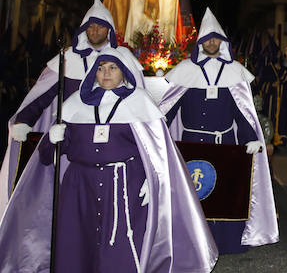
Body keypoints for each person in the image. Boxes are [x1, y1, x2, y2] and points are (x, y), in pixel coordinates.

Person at [0, 46, 217, 272]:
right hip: (79, 187)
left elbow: (160, 149)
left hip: (124, 186)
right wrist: (53, 140)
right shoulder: (75, 103)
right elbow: (46, 158)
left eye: (113, 68)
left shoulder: (139, 102)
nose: (106, 73)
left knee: (120, 246)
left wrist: (153, 178)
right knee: (76, 242)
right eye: (101, 68)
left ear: (124, 71)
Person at [160, 8, 278, 253]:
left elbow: (242, 111)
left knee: (224, 194)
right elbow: (169, 109)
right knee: (194, 195)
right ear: (200, 43)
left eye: (216, 39)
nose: (212, 43)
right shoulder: (185, 71)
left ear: (223, 43)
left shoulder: (234, 72)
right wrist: (155, 133)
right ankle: (194, 243)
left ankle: (224, 242)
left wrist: (252, 138)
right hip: (192, 143)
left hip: (224, 144)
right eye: (207, 39)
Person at [0, 0, 118, 210]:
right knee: (64, 196)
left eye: (100, 26)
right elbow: (43, 94)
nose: (94, 30)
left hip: (104, 137)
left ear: (109, 30)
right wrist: (24, 120)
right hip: (69, 138)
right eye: (90, 26)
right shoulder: (67, 59)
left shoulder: (117, 60)